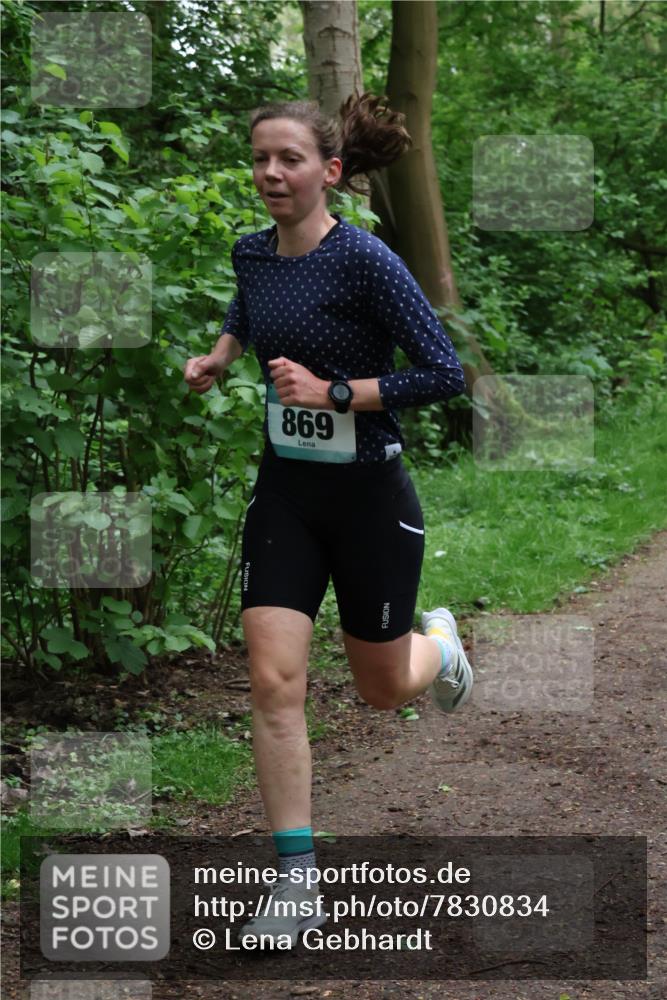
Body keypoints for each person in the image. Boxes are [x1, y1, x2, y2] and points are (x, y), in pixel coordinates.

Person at [183, 90, 473, 948]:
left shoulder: (365, 260)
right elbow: (248, 309)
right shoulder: (251, 252)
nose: (271, 173)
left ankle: (440, 647)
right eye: (260, 159)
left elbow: (443, 372)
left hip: (369, 497)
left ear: (329, 170)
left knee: (381, 690)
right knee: (273, 681)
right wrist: (220, 354)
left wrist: (335, 392)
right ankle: (296, 881)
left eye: (290, 159)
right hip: (287, 493)